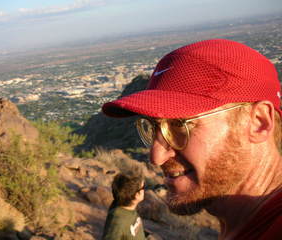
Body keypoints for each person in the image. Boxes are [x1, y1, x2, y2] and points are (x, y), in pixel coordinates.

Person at [102, 39, 282, 239]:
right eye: (152, 128)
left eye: (180, 125)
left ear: (259, 123)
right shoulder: (244, 224)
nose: (156, 156)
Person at [102, 172, 146, 240]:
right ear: (137, 195)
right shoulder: (117, 220)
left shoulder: (128, 206)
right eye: (143, 187)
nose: (145, 190)